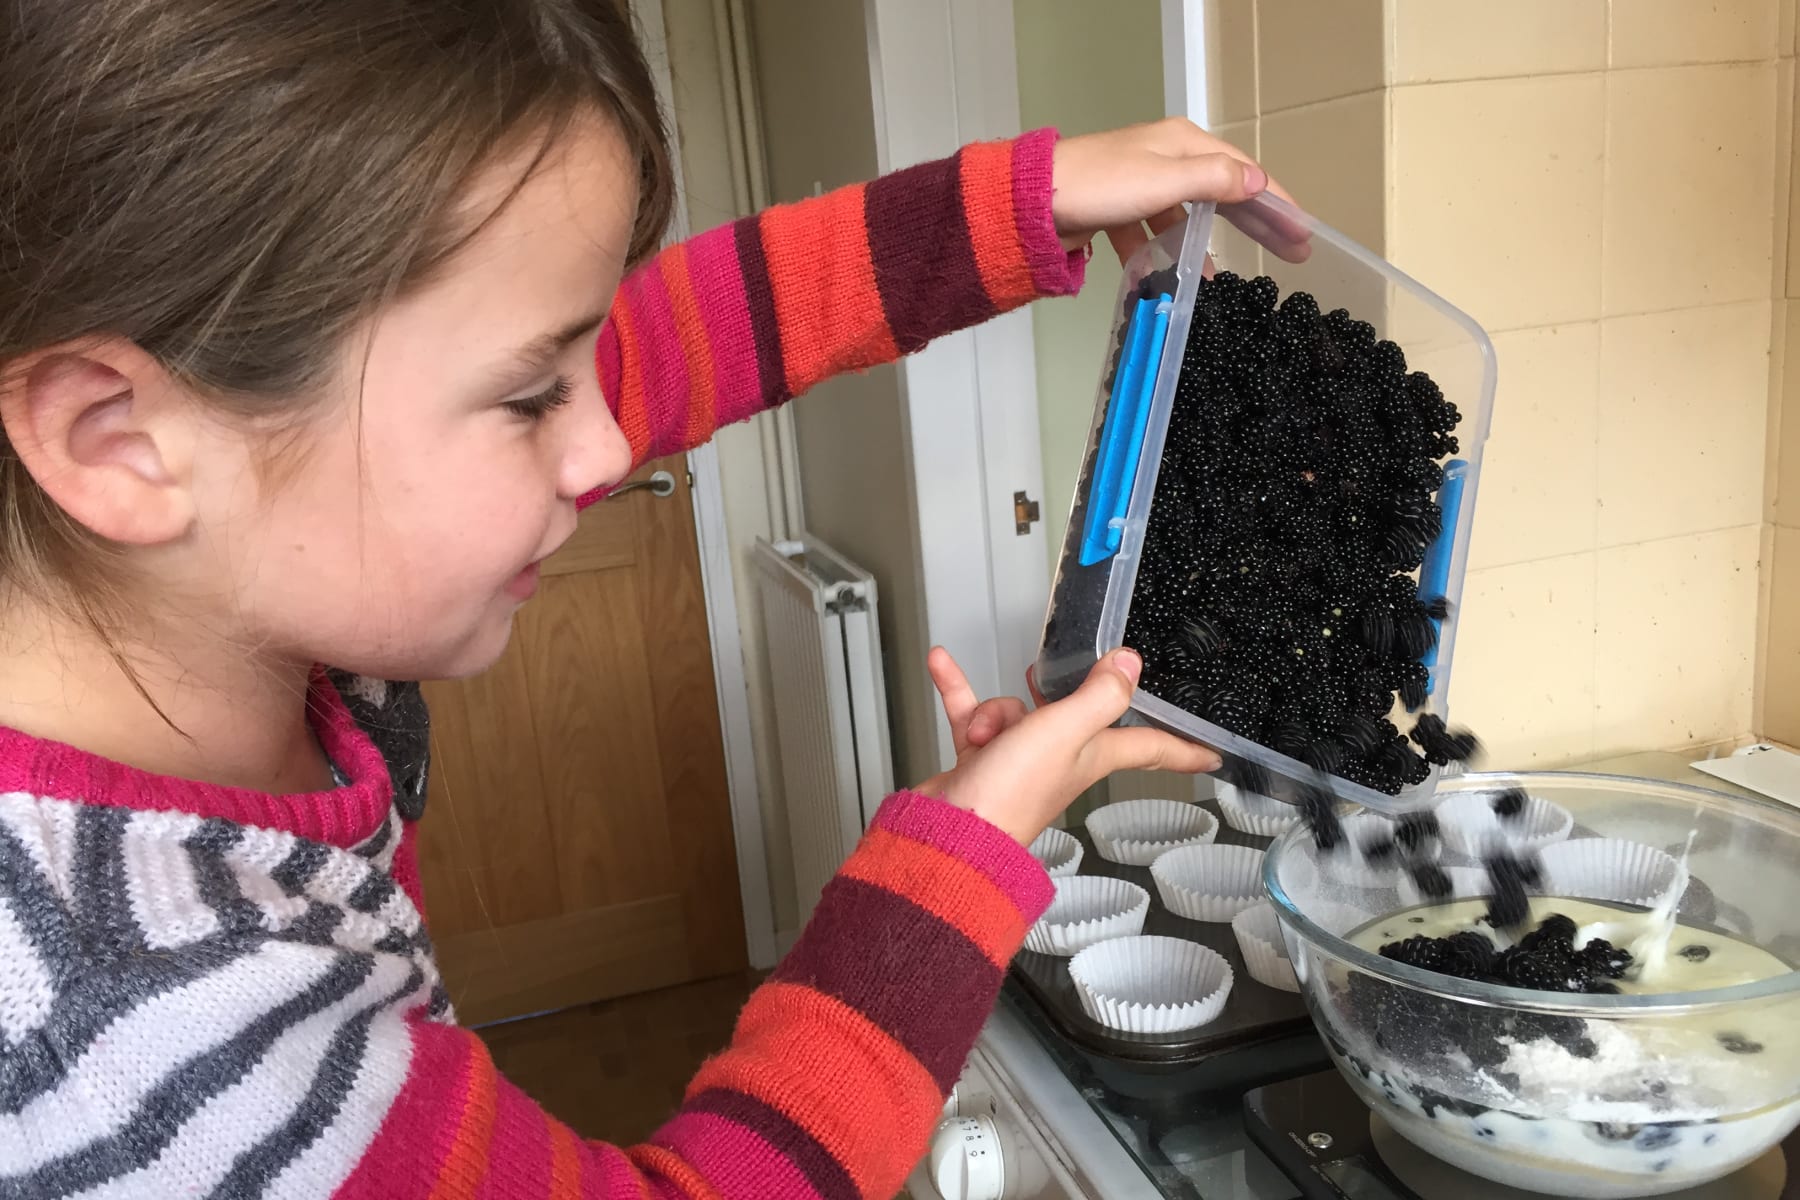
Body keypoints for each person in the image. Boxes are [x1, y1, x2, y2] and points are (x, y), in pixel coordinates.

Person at [0, 2, 1284, 1196]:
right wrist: (954, 866)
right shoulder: (162, 1030)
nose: (615, 444)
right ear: (118, 440)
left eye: (581, 359)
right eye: (529, 397)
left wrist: (1019, 204)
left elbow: (695, 329)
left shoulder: (228, 574)